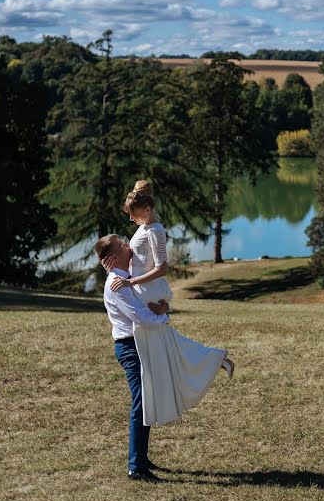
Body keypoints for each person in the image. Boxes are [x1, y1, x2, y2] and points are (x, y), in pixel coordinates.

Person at [104, 180, 234, 427]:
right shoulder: (142, 228)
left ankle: (213, 361)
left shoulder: (156, 231)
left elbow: (161, 268)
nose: (131, 221)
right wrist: (115, 270)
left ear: (145, 210)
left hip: (146, 289)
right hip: (142, 289)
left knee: (165, 344)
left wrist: (132, 283)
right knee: (167, 344)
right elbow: (132, 258)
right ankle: (216, 360)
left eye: (133, 215)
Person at [94, 233, 171, 483]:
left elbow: (149, 304)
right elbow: (141, 317)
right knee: (141, 402)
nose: (130, 245)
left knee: (146, 400)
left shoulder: (126, 279)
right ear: (116, 256)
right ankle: (136, 467)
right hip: (129, 346)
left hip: (139, 343)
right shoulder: (117, 283)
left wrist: (163, 307)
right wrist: (164, 319)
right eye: (124, 244)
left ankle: (141, 458)